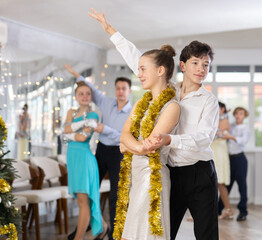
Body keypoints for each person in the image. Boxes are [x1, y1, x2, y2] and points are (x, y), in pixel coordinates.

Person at [89, 9, 219, 240]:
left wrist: (170, 139)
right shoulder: (170, 91)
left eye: (206, 65)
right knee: (161, 232)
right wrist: (110, 30)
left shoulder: (209, 101)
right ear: (182, 65)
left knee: (206, 235)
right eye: (196, 63)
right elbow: (139, 60)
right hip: (170, 170)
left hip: (199, 173)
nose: (201, 69)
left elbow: (204, 138)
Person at [118, 45, 180, 239]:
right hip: (135, 175)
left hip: (152, 177)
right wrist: (136, 146)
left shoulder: (172, 107)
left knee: (146, 234)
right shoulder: (139, 103)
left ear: (160, 71)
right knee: (131, 234)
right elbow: (123, 137)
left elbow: (150, 145)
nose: (139, 74)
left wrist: (130, 146)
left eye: (143, 69)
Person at [64, 64, 132, 240]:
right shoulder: (107, 102)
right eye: (118, 88)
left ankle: (113, 235)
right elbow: (90, 90)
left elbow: (124, 136)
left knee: (115, 195)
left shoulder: (133, 112)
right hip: (101, 151)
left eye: (124, 89)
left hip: (119, 153)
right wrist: (76, 74)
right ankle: (96, 226)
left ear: (129, 91)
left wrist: (104, 129)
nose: (120, 92)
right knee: (90, 191)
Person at [63, 82, 108, 240]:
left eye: (88, 93)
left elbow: (81, 137)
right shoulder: (71, 111)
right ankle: (103, 228)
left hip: (84, 159)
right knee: (84, 201)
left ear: (91, 96)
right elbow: (65, 130)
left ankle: (78, 238)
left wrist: (69, 133)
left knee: (84, 200)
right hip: (73, 159)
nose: (84, 96)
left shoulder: (93, 115)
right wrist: (80, 125)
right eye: (81, 93)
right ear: (75, 96)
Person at [219, 106, 250, 221]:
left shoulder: (245, 129)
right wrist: (225, 113)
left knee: (242, 186)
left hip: (240, 159)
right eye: (236, 113)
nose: (238, 116)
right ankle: (219, 209)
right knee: (227, 185)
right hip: (229, 159)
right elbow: (223, 130)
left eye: (241, 114)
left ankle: (243, 212)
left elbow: (243, 141)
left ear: (245, 115)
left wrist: (230, 136)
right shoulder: (231, 126)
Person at [211, 102, 232, 220]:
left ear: (223, 109)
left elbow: (216, 135)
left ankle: (228, 209)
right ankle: (204, 213)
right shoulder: (214, 120)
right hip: (212, 152)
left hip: (219, 153)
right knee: (210, 182)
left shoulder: (224, 121)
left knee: (220, 182)